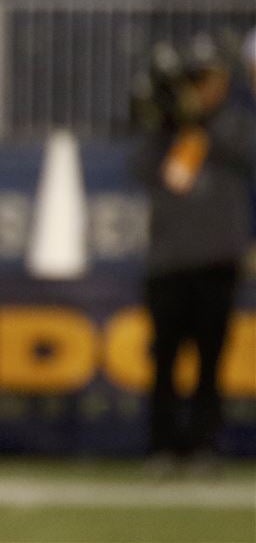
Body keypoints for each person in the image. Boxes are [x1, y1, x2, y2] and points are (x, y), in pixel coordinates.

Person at [132, 35, 256, 473]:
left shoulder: (236, 123)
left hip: (216, 261)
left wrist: (197, 122)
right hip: (168, 261)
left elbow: (244, 153)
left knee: (209, 363)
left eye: (209, 79)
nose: (204, 88)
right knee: (164, 362)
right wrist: (167, 120)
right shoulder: (166, 128)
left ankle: (204, 447)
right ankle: (162, 448)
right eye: (196, 80)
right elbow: (145, 171)